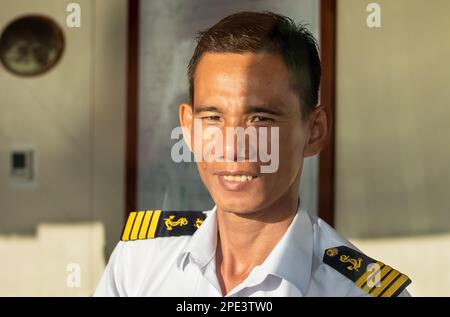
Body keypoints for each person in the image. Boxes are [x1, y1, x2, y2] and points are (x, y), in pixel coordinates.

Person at [94, 11, 411, 297]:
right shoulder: (137, 265)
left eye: (260, 119)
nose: (232, 146)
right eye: (213, 117)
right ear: (188, 128)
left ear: (314, 131)